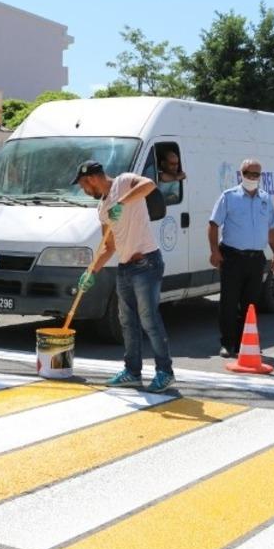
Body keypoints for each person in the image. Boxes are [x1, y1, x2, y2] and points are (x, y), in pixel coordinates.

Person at [74, 160, 175, 393]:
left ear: (90, 179)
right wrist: (91, 272)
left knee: (149, 319)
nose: (84, 190)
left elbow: (149, 184)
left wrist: (121, 202)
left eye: (82, 185)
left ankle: (165, 373)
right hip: (125, 267)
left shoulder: (124, 181)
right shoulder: (101, 209)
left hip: (147, 262)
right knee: (127, 322)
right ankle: (132, 372)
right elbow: (108, 246)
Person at [208, 158, 274, 359]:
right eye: (249, 173)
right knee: (229, 302)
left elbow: (272, 229)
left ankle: (245, 342)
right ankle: (227, 343)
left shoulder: (265, 199)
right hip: (232, 257)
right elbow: (213, 224)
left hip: (256, 259)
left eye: (256, 174)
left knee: (250, 303)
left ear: (261, 176)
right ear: (241, 174)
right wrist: (215, 251)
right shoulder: (229, 197)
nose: (252, 177)